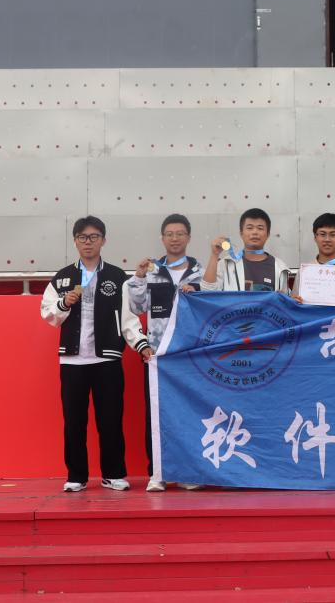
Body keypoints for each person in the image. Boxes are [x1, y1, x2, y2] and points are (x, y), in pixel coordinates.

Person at [40, 216, 151, 493]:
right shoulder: (63, 277)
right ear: (75, 241)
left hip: (107, 359)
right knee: (74, 422)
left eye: (93, 237)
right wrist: (64, 303)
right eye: (82, 237)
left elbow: (128, 318)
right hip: (72, 360)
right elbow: (49, 315)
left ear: (103, 240)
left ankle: (113, 474)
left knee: (110, 420)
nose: (87, 242)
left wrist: (141, 344)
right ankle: (76, 476)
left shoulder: (116, 276)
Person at [126, 214, 203, 492]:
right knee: (156, 416)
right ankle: (157, 473)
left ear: (189, 237)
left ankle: (189, 472)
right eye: (169, 234)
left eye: (180, 233)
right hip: (158, 358)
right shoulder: (152, 271)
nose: (175, 238)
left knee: (190, 413)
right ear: (162, 238)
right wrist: (138, 276)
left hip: (191, 355)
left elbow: (212, 304)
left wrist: (197, 291)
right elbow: (136, 307)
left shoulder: (201, 272)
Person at [202, 207, 292, 294]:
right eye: (249, 228)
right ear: (241, 233)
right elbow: (207, 292)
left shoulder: (280, 268)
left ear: (267, 234)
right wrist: (214, 254)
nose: (255, 232)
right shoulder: (226, 264)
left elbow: (285, 299)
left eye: (260, 228)